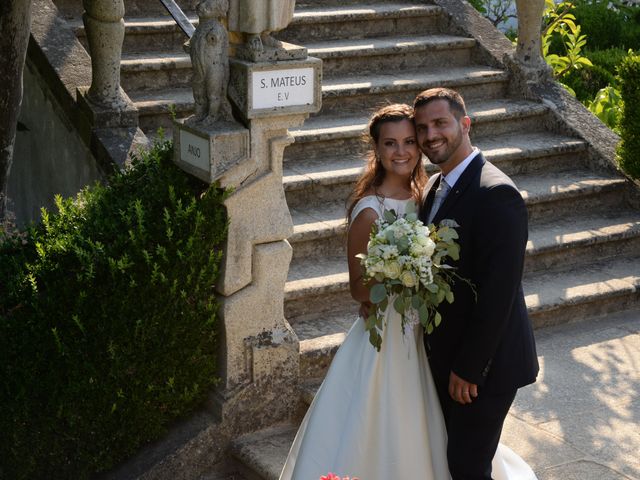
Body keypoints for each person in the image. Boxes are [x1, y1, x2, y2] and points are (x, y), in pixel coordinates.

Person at [278, 103, 537, 479]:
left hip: (428, 336)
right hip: (390, 338)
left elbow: (493, 287)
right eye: (390, 144)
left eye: (409, 141)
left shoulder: (427, 192)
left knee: (445, 441)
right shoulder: (371, 209)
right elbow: (359, 289)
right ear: (377, 150)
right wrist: (399, 277)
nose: (402, 151)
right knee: (388, 426)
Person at [414, 87, 540, 480]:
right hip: (449, 355)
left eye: (440, 123)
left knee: (467, 465)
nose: (430, 135)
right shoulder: (436, 186)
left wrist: (470, 368)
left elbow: (498, 294)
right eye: (422, 128)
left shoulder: (496, 193)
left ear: (465, 124)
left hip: (486, 367)